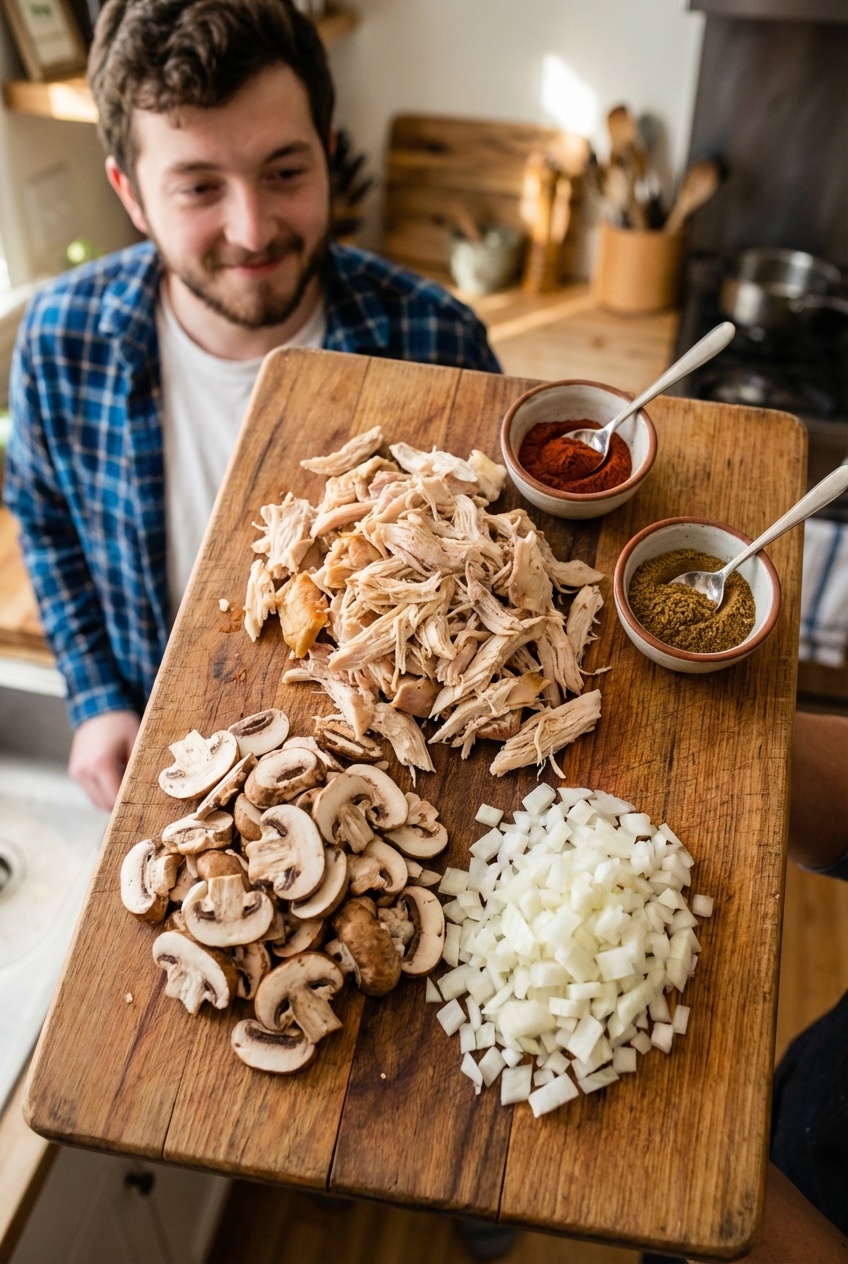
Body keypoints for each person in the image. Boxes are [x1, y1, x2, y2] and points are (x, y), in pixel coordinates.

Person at [3, 0, 499, 811]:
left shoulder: (436, 339)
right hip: (171, 769)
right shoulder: (60, 341)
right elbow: (46, 521)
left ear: (329, 155)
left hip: (390, 786)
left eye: (285, 172)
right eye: (199, 186)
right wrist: (96, 699)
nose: (253, 228)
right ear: (131, 195)